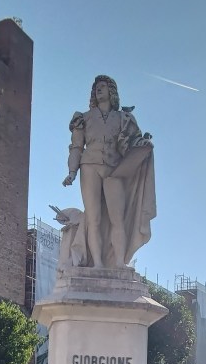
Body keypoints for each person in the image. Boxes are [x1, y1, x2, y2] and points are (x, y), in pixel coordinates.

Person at [62, 75, 156, 268]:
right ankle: (97, 264)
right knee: (94, 218)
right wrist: (72, 171)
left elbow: (133, 142)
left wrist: (143, 143)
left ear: (111, 91)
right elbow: (76, 147)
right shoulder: (83, 118)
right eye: (96, 87)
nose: (98, 89)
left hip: (115, 169)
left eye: (103, 86)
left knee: (117, 218)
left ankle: (120, 262)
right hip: (89, 166)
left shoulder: (123, 118)